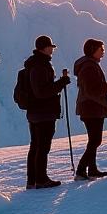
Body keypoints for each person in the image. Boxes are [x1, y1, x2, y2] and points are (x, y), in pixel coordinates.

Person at [23, 35, 70, 189]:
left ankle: (32, 180)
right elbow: (41, 92)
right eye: (50, 47)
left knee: (35, 146)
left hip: (34, 112)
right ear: (44, 48)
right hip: (43, 113)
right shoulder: (40, 66)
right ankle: (41, 179)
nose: (52, 49)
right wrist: (61, 83)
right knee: (42, 146)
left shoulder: (34, 65)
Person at [73, 38, 107, 180]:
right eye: (101, 49)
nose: (103, 52)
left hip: (90, 107)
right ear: (93, 50)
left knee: (93, 139)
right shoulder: (89, 67)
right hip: (92, 107)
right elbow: (92, 90)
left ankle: (92, 169)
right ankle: (81, 170)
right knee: (95, 140)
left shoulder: (89, 65)